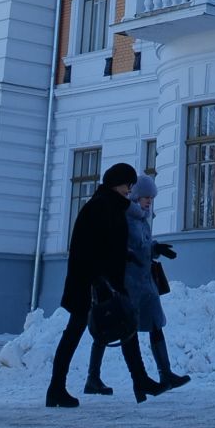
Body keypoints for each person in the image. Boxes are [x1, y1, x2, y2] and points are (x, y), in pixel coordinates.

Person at [48, 162, 167, 408]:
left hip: (104, 282)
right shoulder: (100, 207)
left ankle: (140, 379)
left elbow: (111, 245)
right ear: (116, 183)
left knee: (126, 326)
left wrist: (130, 256)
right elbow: (89, 249)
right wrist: (99, 280)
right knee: (75, 332)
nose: (129, 189)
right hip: (90, 284)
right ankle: (57, 388)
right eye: (127, 184)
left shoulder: (111, 206)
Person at [126, 174, 189, 389]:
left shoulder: (143, 219)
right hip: (129, 283)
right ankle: (93, 375)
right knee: (124, 329)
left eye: (151, 197)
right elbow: (125, 245)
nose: (149, 200)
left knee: (155, 323)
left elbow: (145, 245)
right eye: (145, 196)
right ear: (135, 196)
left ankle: (166, 373)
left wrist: (157, 248)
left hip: (146, 280)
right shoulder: (126, 217)